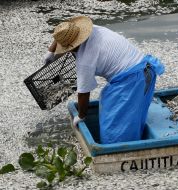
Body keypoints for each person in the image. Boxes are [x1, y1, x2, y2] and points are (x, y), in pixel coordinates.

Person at [43, 15, 164, 144]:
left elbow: (83, 93)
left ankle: (118, 154)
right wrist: (51, 51)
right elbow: (65, 27)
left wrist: (81, 116)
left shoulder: (85, 61)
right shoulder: (92, 29)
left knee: (115, 131)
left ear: (71, 47)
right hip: (145, 70)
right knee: (129, 119)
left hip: (132, 81)